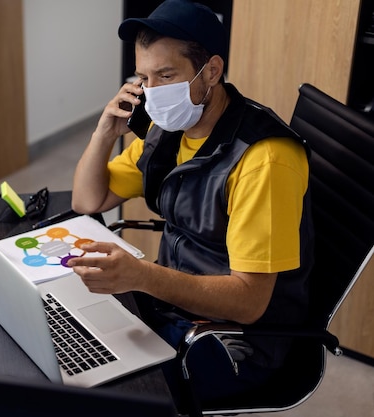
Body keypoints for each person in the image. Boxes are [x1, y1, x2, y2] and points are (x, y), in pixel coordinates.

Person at [67, 0, 313, 410]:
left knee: (102, 396)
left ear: (211, 72)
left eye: (167, 75)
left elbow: (249, 304)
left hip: (237, 343)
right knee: (72, 349)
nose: (153, 92)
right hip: (176, 305)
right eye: (144, 77)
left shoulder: (263, 160)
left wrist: (143, 276)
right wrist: (104, 131)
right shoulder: (170, 129)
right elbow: (88, 200)